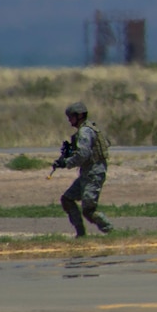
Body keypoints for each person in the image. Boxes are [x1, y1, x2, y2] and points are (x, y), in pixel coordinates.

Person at [57, 102, 113, 237]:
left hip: (93, 173)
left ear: (80, 116)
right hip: (87, 173)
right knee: (67, 199)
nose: (69, 120)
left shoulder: (85, 131)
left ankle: (110, 232)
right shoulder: (88, 129)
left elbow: (83, 154)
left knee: (89, 210)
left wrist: (67, 163)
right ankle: (80, 234)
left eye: (71, 117)